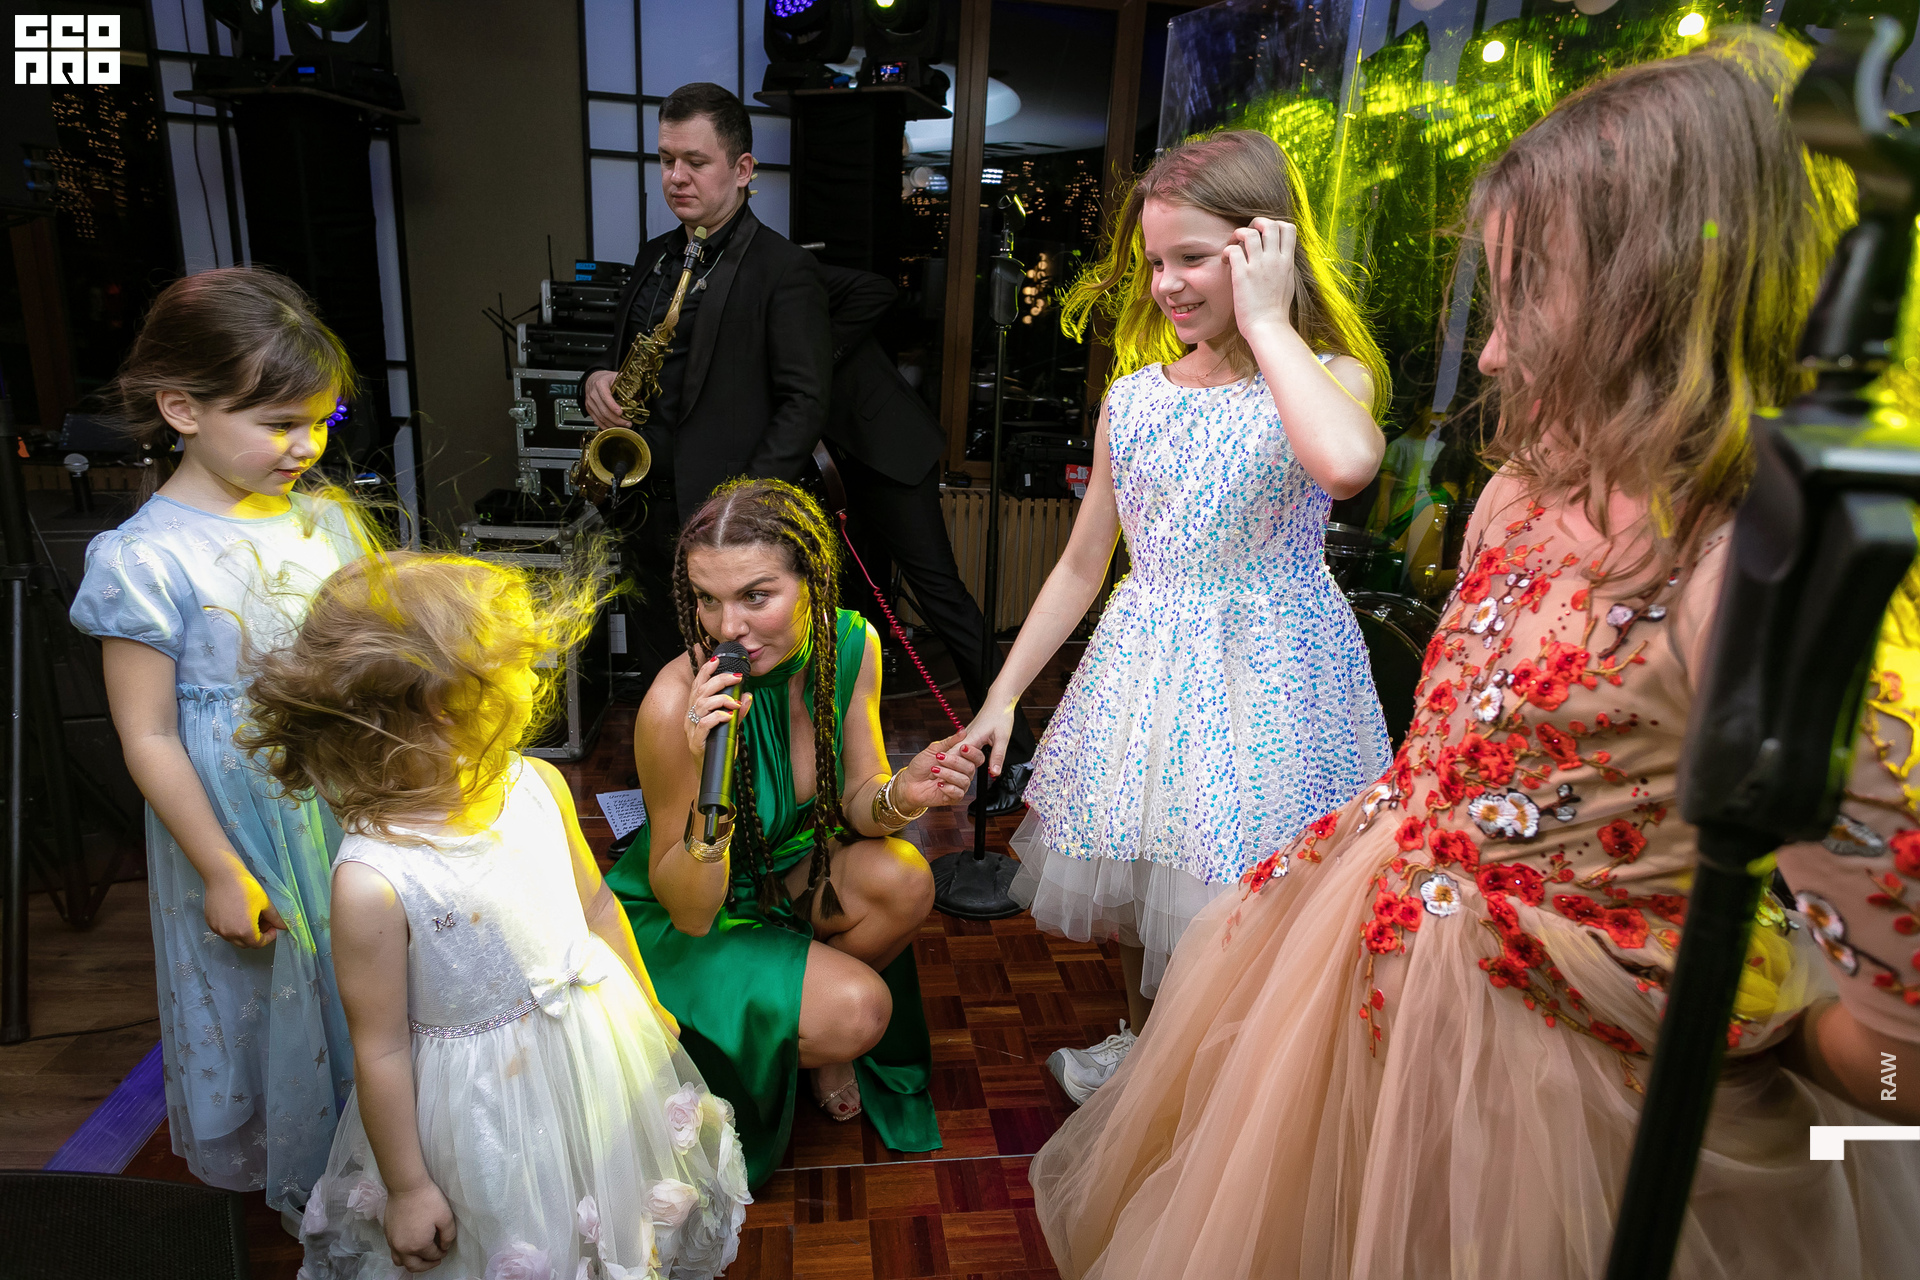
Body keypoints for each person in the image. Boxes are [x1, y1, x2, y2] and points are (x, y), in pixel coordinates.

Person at [1026, 33, 1920, 1280]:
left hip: (1570, 1103)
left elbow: (1900, 1055)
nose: (1490, 353)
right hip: (1368, 987)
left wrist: (1781, 1027)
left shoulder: (1770, 588)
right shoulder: (1522, 491)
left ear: (1664, 298)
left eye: (1527, 297)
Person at [959, 129, 1395, 1102]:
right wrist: (1003, 695)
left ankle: (1229, 1086)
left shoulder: (1327, 377)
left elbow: (1346, 464)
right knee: (1144, 873)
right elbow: (1082, 564)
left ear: (1265, 246)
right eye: (1155, 261)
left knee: (1240, 897)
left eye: (1191, 257)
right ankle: (1145, 1053)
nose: (1165, 284)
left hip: (1273, 681)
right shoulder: (1135, 399)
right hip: (1149, 668)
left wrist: (1271, 323)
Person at [243, 553, 749, 1279]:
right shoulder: (373, 880)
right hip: (483, 1111)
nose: (534, 680)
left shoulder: (536, 783)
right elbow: (380, 1049)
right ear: (442, 704)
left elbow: (597, 907)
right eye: (510, 668)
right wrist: (408, 1188)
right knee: (519, 1233)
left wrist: (647, 1003)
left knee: (606, 1210)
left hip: (591, 1055)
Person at [68, 267, 372, 1219]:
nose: (306, 446)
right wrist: (218, 869)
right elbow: (149, 734)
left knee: (364, 971)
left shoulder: (324, 519)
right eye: (279, 423)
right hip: (235, 822)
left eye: (321, 422)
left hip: (341, 796)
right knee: (268, 985)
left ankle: (381, 1149)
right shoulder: (143, 555)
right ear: (182, 409)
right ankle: (307, 1176)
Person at [605, 478, 983, 1188]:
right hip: (690, 910)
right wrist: (709, 775)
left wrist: (903, 794)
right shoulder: (670, 703)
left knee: (906, 878)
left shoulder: (850, 645)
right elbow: (691, 912)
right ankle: (814, 1025)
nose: (728, 628)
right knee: (861, 1009)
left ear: (812, 581)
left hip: (788, 874)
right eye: (707, 599)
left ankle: (805, 1013)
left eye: (756, 596)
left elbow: (860, 802)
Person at [816, 260, 1040, 816]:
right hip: (832, 468)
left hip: (890, 454)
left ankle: (1018, 759)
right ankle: (849, 774)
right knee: (850, 613)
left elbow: (876, 286)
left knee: (943, 598)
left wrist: (814, 356)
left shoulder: (784, 267)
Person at [582, 81, 830, 522]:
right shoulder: (653, 254)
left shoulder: (784, 268)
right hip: (634, 503)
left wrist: (740, 507)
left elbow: (804, 406)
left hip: (721, 515)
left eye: (696, 162)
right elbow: (617, 353)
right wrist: (595, 380)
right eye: (667, 160)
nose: (676, 177)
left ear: (742, 170)